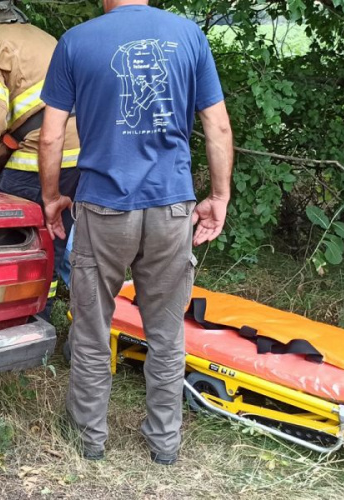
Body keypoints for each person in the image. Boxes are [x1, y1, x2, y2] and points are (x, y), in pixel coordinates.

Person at [39, 0, 233, 464]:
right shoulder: (188, 36)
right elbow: (218, 125)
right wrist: (219, 196)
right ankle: (164, 443)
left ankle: (89, 438)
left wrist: (50, 198)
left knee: (91, 329)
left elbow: (49, 135)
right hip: (170, 208)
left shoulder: (77, 41)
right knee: (166, 334)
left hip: (104, 208)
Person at [0, 0, 81, 309]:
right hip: (80, 154)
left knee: (6, 240)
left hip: (39, 156)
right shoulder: (42, 37)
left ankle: (6, 314)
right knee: (53, 239)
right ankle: (44, 313)